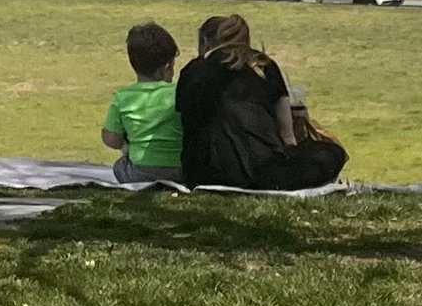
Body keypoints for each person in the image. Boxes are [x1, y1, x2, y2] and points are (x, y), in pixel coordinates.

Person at [174, 14, 347, 192]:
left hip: (200, 173)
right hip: (260, 171)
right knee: (332, 153)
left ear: (206, 41)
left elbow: (184, 123)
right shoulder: (264, 65)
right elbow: (288, 136)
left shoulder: (191, 71)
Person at [102, 21, 186, 186]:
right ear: (167, 67)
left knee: (119, 166)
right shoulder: (179, 92)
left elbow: (111, 138)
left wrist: (125, 142)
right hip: (180, 169)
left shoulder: (122, 98)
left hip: (140, 171)